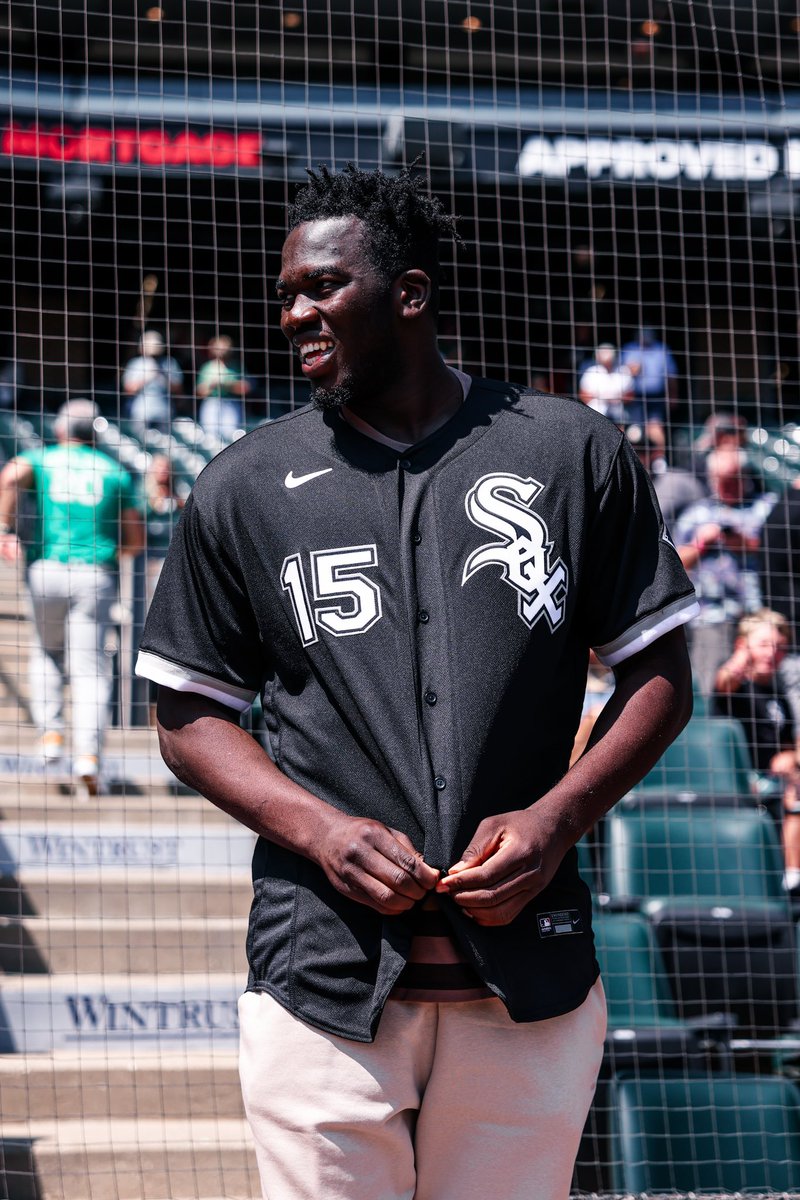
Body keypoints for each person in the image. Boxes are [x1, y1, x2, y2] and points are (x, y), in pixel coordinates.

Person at [135, 164, 696, 1200]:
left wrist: (558, 818)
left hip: (525, 988)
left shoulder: (569, 451)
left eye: (320, 286)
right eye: (285, 292)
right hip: (323, 990)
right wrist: (320, 830)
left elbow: (658, 669)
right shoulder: (243, 483)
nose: (292, 311)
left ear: (407, 293)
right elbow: (188, 715)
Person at [0, 398, 144, 793]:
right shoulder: (113, 470)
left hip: (46, 568)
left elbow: (11, 476)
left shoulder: (42, 459)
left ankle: (50, 735)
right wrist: (116, 553)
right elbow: (135, 538)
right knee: (91, 668)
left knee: (45, 651)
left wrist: (4, 529)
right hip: (93, 573)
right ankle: (88, 755)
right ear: (93, 435)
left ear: (60, 429)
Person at [674, 445, 776, 697]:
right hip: (711, 614)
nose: (727, 486)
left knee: (761, 684)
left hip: (757, 612)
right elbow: (675, 561)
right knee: (715, 687)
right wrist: (701, 544)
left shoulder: (764, 508)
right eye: (720, 481)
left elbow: (780, 550)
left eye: (733, 479)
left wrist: (741, 541)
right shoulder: (696, 514)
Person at [712, 610, 800, 891]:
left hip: (774, 780)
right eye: (764, 645)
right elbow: (724, 682)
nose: (772, 653)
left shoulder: (778, 693)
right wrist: (741, 657)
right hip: (739, 782)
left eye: (780, 648)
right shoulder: (737, 686)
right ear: (742, 645)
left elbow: (787, 742)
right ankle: (792, 875)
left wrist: (791, 756)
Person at [122, 330, 184, 433]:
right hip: (141, 413)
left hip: (164, 413)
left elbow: (179, 391)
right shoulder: (136, 364)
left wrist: (163, 376)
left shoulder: (169, 363)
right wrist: (146, 378)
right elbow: (127, 390)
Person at [620, 326, 679, 431]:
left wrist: (673, 395)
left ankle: (659, 447)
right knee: (634, 430)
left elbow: (671, 375)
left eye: (648, 334)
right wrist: (631, 370)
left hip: (656, 396)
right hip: (635, 397)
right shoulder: (629, 348)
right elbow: (620, 373)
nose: (645, 337)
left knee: (655, 428)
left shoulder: (661, 349)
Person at [195, 334, 251, 439]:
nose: (222, 350)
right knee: (210, 435)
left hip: (231, 403)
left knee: (231, 435)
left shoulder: (236, 367)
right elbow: (199, 392)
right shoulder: (207, 367)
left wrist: (228, 385)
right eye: (219, 347)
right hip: (211, 403)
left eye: (225, 347)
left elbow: (246, 388)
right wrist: (212, 385)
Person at [578, 343, 635, 424]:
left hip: (619, 413)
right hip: (596, 412)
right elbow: (583, 394)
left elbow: (631, 396)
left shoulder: (624, 371)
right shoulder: (591, 372)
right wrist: (601, 399)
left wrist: (617, 399)